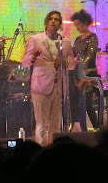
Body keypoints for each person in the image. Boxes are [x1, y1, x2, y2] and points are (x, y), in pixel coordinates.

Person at [22, 11, 75, 146]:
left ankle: (53, 151)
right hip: (41, 85)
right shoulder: (35, 39)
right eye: (50, 19)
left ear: (60, 23)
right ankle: (40, 151)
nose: (53, 21)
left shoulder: (66, 41)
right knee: (41, 123)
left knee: (55, 124)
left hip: (59, 86)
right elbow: (25, 61)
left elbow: (72, 63)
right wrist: (33, 57)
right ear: (46, 22)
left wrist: (65, 62)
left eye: (56, 19)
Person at [70, 9, 100, 131]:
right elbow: (72, 54)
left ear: (86, 22)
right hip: (77, 73)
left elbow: (89, 55)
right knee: (76, 103)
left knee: (87, 103)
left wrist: (81, 65)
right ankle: (78, 128)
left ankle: (97, 128)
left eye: (79, 24)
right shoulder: (77, 39)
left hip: (89, 74)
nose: (77, 27)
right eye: (75, 25)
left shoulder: (93, 37)